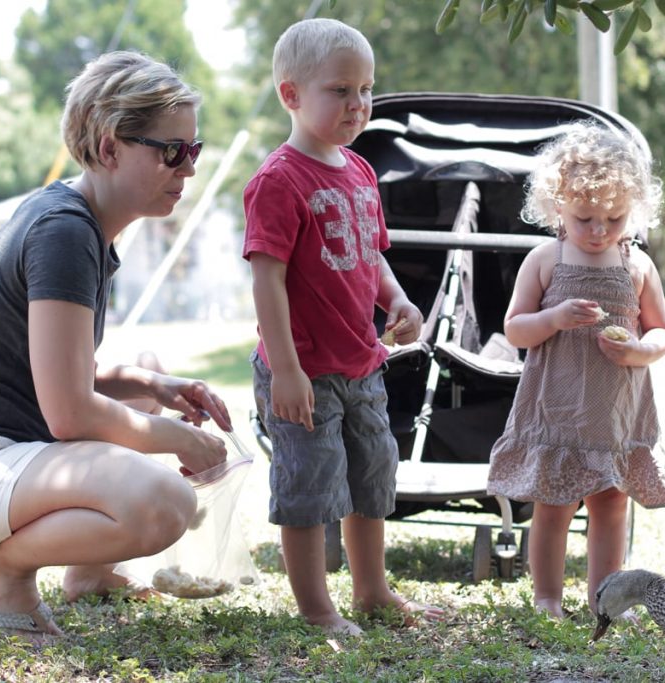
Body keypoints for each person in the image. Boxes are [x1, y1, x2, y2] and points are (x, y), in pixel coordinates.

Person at [0, 51, 232, 645]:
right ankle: (3, 571)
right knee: (164, 503)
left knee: (148, 369)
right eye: (172, 151)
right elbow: (70, 412)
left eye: (194, 150)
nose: (188, 169)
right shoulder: (64, 231)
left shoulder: (80, 222)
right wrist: (186, 440)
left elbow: (59, 373)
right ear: (110, 148)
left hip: (1, 458)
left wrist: (154, 389)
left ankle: (91, 573)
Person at [243, 18, 443, 636]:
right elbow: (267, 279)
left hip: (361, 362)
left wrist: (400, 301)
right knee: (308, 489)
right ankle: (316, 608)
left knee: (370, 479)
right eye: (340, 90)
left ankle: (371, 590)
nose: (358, 104)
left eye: (366, 89)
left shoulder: (359, 171)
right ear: (291, 95)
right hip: (303, 368)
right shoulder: (278, 181)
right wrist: (286, 369)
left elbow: (370, 252)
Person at [487, 121, 665, 619]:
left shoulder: (637, 267)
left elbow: (663, 331)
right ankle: (547, 597)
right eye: (584, 217)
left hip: (614, 413)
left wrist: (639, 350)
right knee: (553, 506)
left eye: (613, 219)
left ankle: (606, 600)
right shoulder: (545, 260)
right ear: (557, 209)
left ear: (633, 212)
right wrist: (552, 318)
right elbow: (515, 330)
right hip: (559, 408)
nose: (598, 230)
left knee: (611, 505)